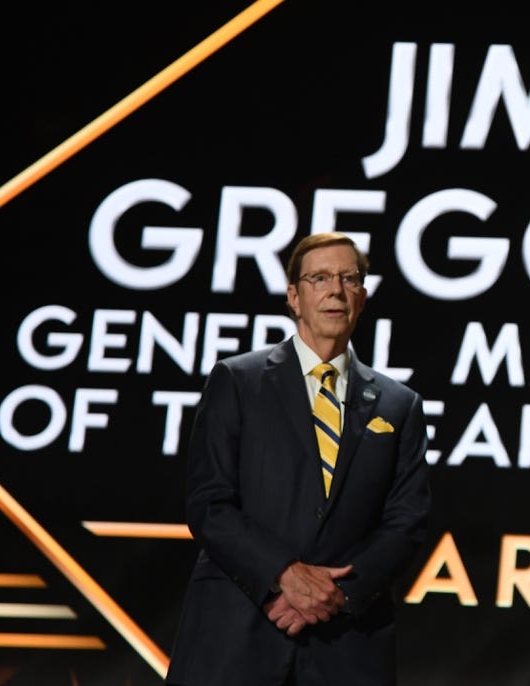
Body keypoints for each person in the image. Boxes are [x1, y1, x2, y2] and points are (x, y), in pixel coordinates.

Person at [167, 232, 431, 685]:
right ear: (294, 296)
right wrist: (283, 575)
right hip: (239, 632)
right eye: (320, 277)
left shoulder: (397, 404)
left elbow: (406, 522)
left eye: (350, 278)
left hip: (346, 645)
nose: (336, 290)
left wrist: (336, 595)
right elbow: (210, 503)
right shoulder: (238, 381)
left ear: (363, 298)